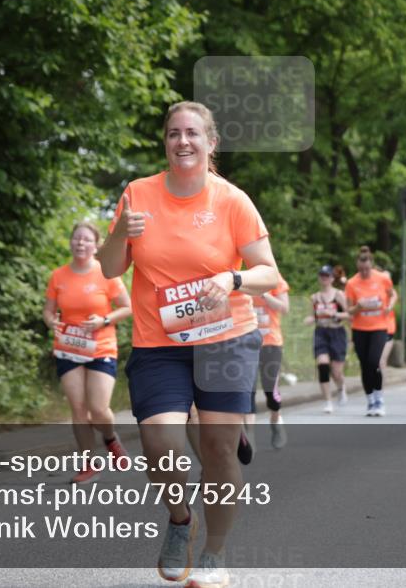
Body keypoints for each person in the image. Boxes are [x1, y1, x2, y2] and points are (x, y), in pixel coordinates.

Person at [97, 100, 278, 586]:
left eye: (193, 133)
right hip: (160, 342)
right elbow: (111, 268)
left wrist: (232, 279)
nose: (183, 142)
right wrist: (119, 233)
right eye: (174, 133)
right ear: (165, 141)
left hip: (225, 340)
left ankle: (215, 554)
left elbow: (269, 272)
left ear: (210, 142)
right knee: (162, 442)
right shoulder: (138, 194)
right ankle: (180, 520)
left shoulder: (231, 200)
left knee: (217, 452)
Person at [43, 222, 132, 483]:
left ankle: (110, 438)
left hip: (101, 346)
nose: (81, 243)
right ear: (71, 242)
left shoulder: (107, 274)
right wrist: (52, 321)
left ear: (96, 246)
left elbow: (127, 308)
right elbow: (48, 311)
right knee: (79, 408)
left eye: (86, 240)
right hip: (68, 347)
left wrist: (103, 321)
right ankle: (89, 463)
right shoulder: (58, 275)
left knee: (98, 408)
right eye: (77, 239)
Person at [345, 246, 396, 417]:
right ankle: (370, 400)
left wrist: (389, 305)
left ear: (371, 265)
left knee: (374, 362)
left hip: (379, 327)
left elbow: (392, 294)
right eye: (361, 269)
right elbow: (348, 309)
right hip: (360, 328)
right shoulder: (352, 283)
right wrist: (358, 306)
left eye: (367, 269)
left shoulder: (382, 279)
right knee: (364, 366)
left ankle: (379, 398)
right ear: (357, 267)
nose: (365, 272)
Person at [250, 272, 290, 448]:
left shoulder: (276, 279)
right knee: (247, 391)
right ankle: (248, 435)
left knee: (270, 391)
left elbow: (284, 308)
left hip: (271, 342)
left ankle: (276, 422)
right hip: (248, 344)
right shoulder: (244, 278)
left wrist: (264, 295)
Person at [304, 265, 350, 413]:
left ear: (332, 278)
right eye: (322, 275)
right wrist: (309, 319)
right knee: (323, 365)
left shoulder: (339, 295)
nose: (324, 278)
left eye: (327, 276)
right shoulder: (315, 297)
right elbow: (313, 315)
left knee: (336, 371)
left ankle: (341, 388)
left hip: (337, 333)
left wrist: (335, 315)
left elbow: (349, 314)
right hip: (321, 333)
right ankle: (328, 401)